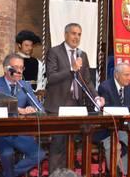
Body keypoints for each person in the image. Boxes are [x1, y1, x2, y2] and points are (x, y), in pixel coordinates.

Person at [44, 23, 103, 173]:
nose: (76, 37)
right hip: (57, 106)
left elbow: (87, 81)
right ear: (65, 35)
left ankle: (67, 174)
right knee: (58, 144)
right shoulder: (54, 52)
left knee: (72, 144)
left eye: (79, 34)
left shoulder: (82, 55)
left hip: (76, 105)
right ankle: (54, 175)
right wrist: (71, 70)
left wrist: (96, 98)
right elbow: (51, 78)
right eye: (73, 33)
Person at [0, 53, 46, 177]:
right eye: (15, 67)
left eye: (21, 68)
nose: (19, 71)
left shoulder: (25, 85)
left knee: (39, 154)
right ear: (6, 69)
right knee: (7, 153)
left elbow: (40, 108)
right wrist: (19, 110)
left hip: (18, 133)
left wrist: (32, 109)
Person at [98, 63, 130, 175]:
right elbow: (107, 110)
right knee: (115, 147)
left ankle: (118, 171)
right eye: (126, 75)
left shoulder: (129, 88)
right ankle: (113, 172)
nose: (129, 78)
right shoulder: (105, 87)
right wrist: (129, 107)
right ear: (116, 75)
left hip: (124, 129)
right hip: (108, 130)